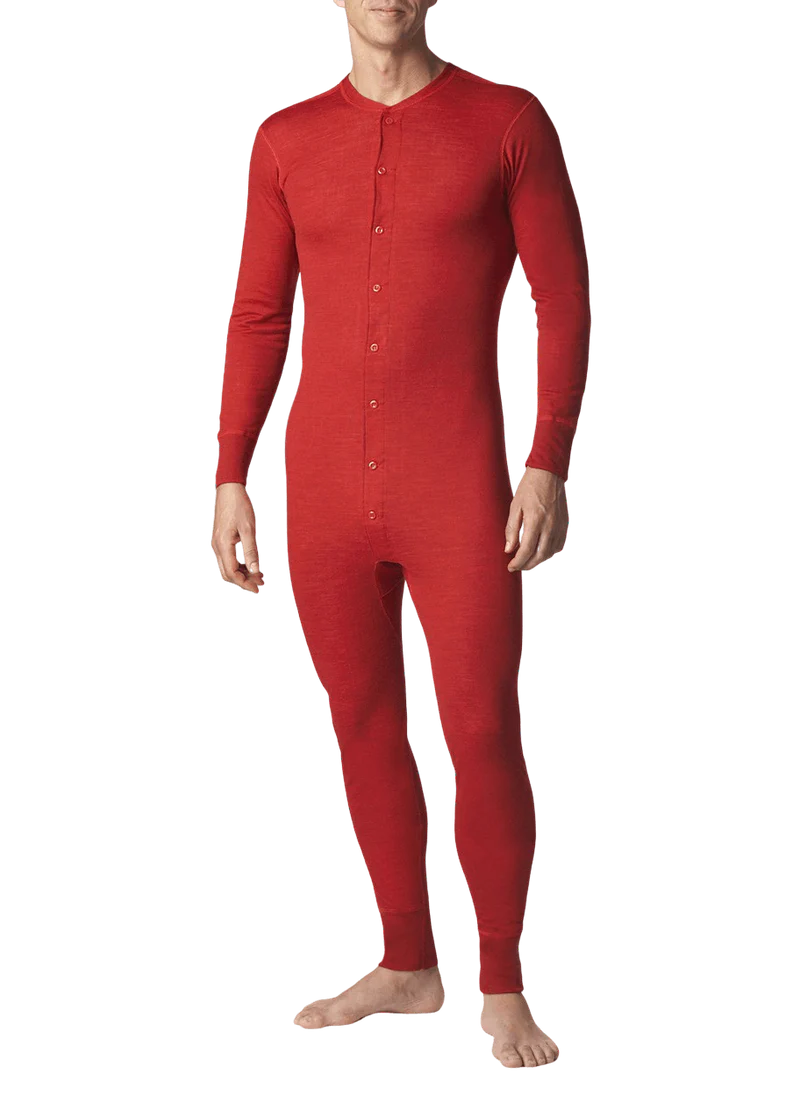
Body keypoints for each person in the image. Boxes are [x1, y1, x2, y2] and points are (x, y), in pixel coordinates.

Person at [210, 0, 589, 1070]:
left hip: (460, 487)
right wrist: (230, 474)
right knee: (363, 723)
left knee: (480, 727)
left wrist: (547, 461)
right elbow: (259, 314)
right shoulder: (284, 137)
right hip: (320, 492)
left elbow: (561, 298)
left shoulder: (507, 120)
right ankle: (408, 964)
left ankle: (503, 982)